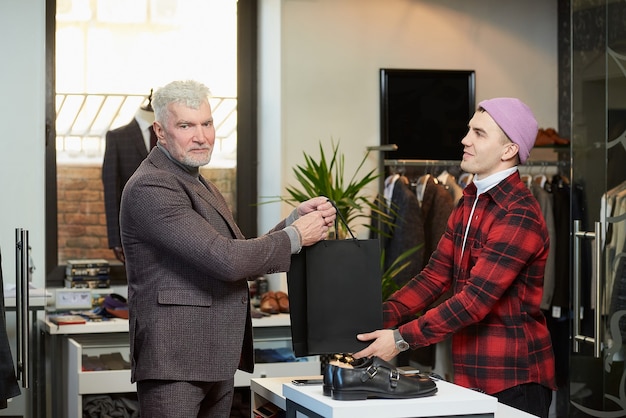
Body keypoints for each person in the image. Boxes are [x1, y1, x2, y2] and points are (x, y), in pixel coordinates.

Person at [119, 79, 336, 418]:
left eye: (206, 123)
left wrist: (294, 219)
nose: (201, 136)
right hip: (176, 361)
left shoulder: (194, 180)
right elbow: (227, 260)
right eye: (186, 125)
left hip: (214, 354)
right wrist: (296, 235)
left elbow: (237, 251)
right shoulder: (153, 184)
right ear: (160, 131)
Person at [354, 97, 556, 418]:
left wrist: (401, 339)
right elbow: (436, 276)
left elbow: (474, 301)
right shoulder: (469, 200)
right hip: (470, 374)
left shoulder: (519, 213)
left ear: (508, 150)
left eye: (479, 133)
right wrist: (375, 319)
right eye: (468, 131)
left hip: (514, 379)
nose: (465, 140)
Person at [102, 93, 157, 263]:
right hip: (133, 230)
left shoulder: (172, 138)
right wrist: (115, 239)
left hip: (172, 230)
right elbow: (111, 191)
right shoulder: (117, 137)